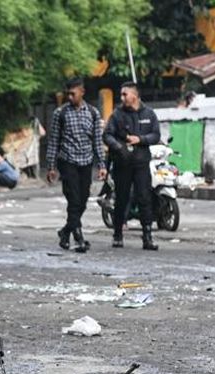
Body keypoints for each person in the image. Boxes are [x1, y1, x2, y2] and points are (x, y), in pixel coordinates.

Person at [45, 76, 106, 253]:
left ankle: (65, 232)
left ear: (82, 92)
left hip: (86, 162)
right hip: (67, 161)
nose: (70, 97)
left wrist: (102, 165)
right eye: (68, 94)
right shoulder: (60, 113)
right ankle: (79, 238)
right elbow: (54, 141)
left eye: (73, 94)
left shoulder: (93, 113)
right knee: (73, 199)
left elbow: (97, 141)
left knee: (83, 200)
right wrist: (51, 166)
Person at [103, 82, 161, 250]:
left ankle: (147, 236)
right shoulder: (117, 115)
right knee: (122, 199)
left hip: (141, 163)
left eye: (125, 94)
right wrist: (118, 146)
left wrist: (140, 139)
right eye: (121, 94)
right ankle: (118, 234)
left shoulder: (149, 114)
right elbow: (107, 135)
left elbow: (156, 135)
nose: (122, 98)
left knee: (144, 198)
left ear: (134, 95)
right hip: (122, 163)